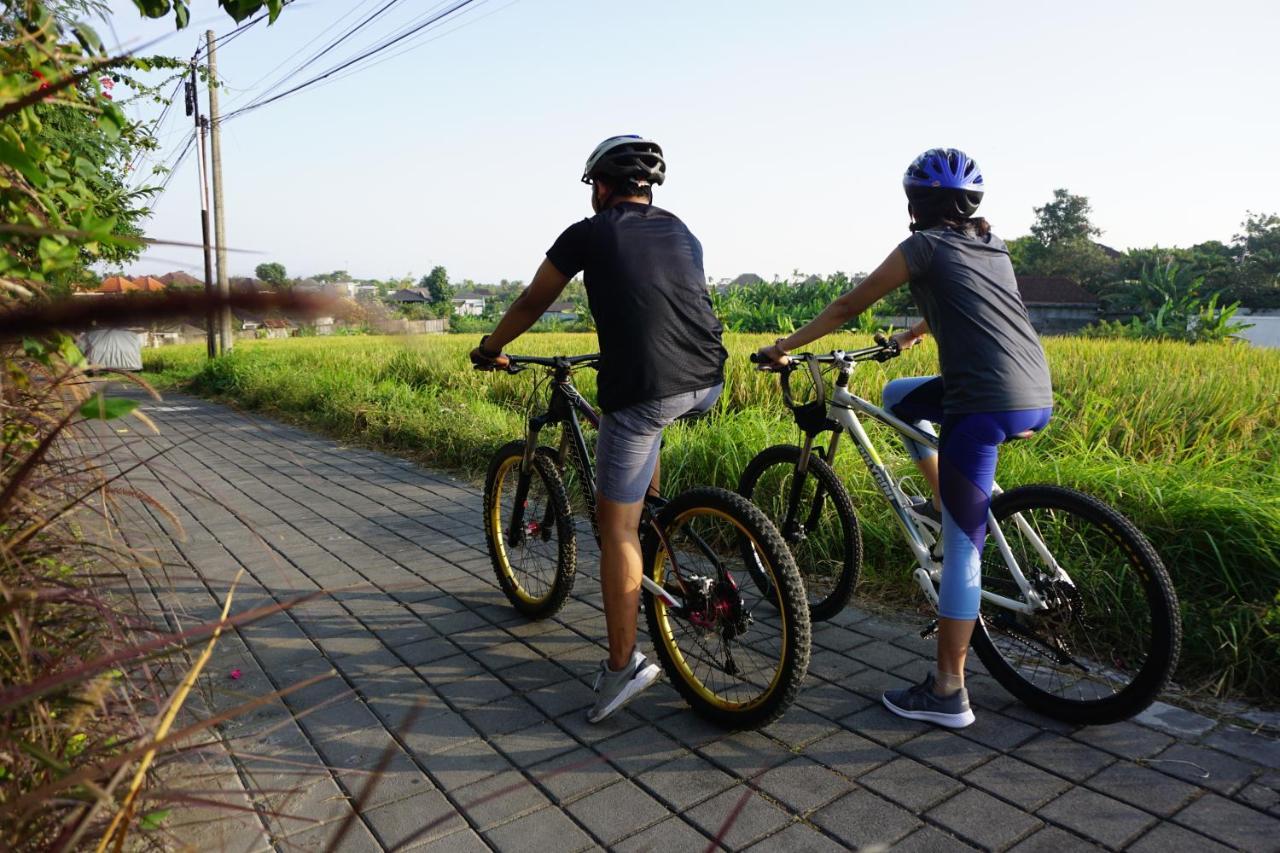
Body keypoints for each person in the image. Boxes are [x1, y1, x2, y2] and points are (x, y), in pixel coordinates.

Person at [755, 148, 1053, 729]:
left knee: (964, 547)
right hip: (1034, 395)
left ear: (915, 204)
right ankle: (942, 498)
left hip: (981, 403)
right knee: (898, 396)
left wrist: (783, 347)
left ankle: (948, 692)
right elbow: (974, 307)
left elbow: (848, 304)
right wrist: (915, 334)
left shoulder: (923, 246)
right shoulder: (993, 247)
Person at [471, 135, 727, 723]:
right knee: (644, 470)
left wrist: (492, 347)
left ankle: (622, 667)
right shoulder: (682, 229)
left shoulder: (587, 233)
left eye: (593, 187)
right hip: (707, 378)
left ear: (602, 185)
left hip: (644, 386)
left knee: (615, 528)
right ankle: (657, 522)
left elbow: (536, 298)